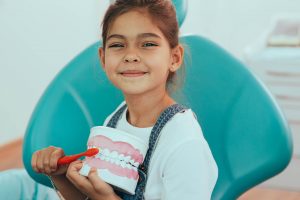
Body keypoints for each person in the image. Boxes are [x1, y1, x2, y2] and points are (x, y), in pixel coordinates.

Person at [31, 0, 218, 200]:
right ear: (103, 58)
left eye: (148, 44)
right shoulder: (117, 119)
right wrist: (60, 177)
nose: (130, 56)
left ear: (174, 58)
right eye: (118, 45)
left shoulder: (184, 144)